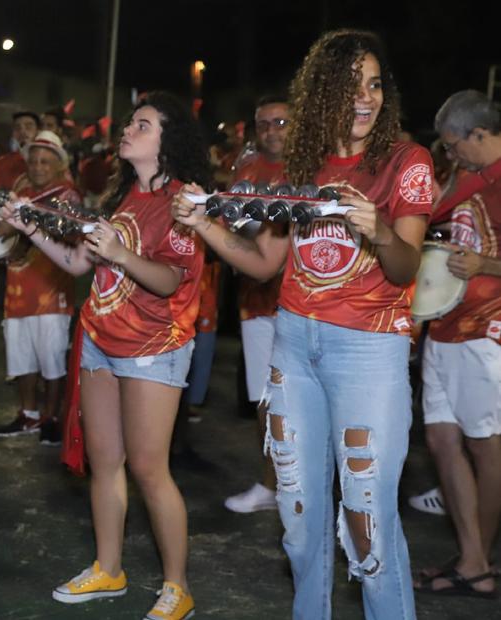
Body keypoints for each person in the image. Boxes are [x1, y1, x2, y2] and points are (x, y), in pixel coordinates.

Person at [174, 30, 432, 619]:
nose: (365, 98)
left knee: (367, 526)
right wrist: (202, 225)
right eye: (349, 86)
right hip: (294, 345)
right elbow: (264, 263)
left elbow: (405, 266)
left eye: (374, 84)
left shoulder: (405, 161)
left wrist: (380, 229)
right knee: (297, 520)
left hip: (368, 355)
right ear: (321, 95)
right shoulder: (303, 166)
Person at [1, 92, 210, 620]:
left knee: (148, 469)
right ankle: (109, 567)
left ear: (169, 140)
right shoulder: (124, 196)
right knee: (106, 463)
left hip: (153, 348)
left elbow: (169, 279)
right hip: (100, 338)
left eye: (142, 125)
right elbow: (77, 263)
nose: (128, 131)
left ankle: (177, 586)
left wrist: (121, 252)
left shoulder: (185, 201)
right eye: (129, 124)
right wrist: (30, 228)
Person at [412, 90, 501, 598]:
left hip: (485, 332)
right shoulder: (464, 179)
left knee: (485, 445)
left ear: (479, 135)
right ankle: (473, 557)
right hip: (444, 325)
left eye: (453, 145)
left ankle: (478, 564)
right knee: (442, 441)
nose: (449, 154)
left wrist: (486, 266)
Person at [223, 95, 290, 513]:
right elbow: (231, 229)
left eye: (281, 122)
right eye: (263, 123)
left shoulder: (314, 166)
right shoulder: (246, 171)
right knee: (265, 399)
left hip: (307, 302)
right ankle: (271, 485)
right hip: (256, 300)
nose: (271, 130)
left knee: (304, 401)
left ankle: (307, 487)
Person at [0, 130, 80, 444]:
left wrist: (24, 220)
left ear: (59, 166)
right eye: (34, 161)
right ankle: (28, 414)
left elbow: (72, 235)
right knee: (21, 358)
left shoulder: (68, 196)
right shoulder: (22, 192)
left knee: (52, 360)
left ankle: (52, 417)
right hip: (18, 290)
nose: (39, 166)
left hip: (51, 293)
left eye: (46, 161)